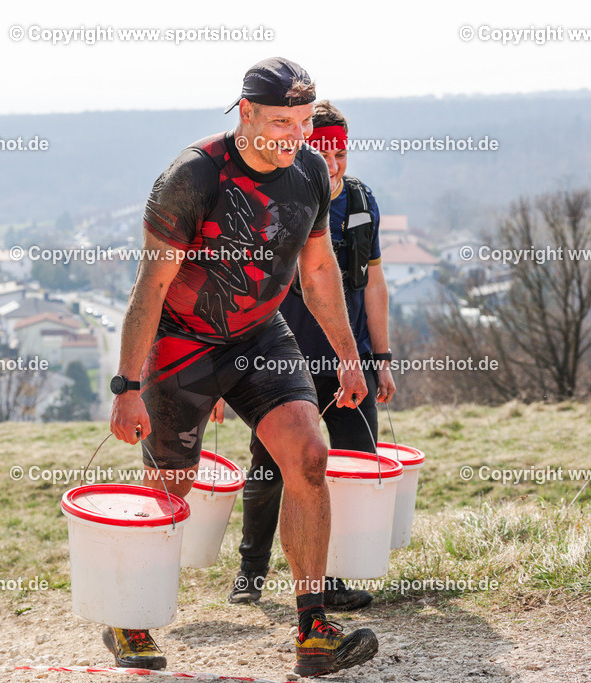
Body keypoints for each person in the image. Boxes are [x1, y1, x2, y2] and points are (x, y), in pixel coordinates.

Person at [105, 57, 379, 677]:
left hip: (260, 334)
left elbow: (316, 270)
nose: (294, 136)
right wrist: (126, 387)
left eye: (304, 122)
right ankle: (130, 619)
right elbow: (150, 287)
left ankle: (313, 630)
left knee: (310, 455)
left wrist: (346, 352)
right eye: (281, 121)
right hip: (182, 342)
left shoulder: (310, 170)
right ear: (245, 112)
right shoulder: (194, 176)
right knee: (172, 489)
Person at [227, 101, 395, 609]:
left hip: (351, 361)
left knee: (353, 466)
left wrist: (380, 357)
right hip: (283, 361)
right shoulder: (282, 197)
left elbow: (374, 285)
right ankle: (250, 571)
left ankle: (334, 579)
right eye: (321, 148)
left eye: (339, 151)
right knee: (269, 467)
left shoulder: (363, 201)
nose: (333, 161)